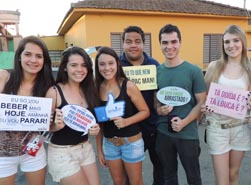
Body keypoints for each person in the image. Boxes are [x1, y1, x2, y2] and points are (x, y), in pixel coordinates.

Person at [203, 25, 251, 185]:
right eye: (227, 42)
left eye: (235, 40)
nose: (231, 45)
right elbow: (206, 97)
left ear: (243, 42)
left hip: (240, 128)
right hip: (217, 127)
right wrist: (205, 106)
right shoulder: (214, 66)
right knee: (222, 179)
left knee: (233, 174)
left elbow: (250, 102)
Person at [154, 24, 206, 185]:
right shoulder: (156, 71)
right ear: (160, 44)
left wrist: (184, 122)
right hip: (163, 133)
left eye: (173, 42)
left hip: (188, 134)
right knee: (169, 178)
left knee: (194, 178)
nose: (169, 47)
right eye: (165, 42)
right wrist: (159, 109)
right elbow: (155, 100)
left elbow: (201, 103)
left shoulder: (194, 71)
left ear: (180, 42)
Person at [0, 36, 55, 185]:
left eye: (39, 56)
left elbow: (50, 127)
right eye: (28, 54)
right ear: (19, 57)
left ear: (44, 60)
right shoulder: (4, 77)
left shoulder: (48, 87)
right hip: (2, 153)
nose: (33, 60)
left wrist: (53, 122)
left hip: (33, 150)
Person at [45, 46, 101, 185]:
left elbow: (93, 121)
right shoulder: (54, 92)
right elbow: (43, 127)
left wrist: (95, 129)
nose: (79, 70)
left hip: (85, 148)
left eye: (83, 65)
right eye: (74, 65)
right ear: (65, 67)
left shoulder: (89, 90)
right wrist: (56, 126)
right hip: (62, 152)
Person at [95, 46, 150, 185]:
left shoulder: (128, 85)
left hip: (131, 143)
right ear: (97, 66)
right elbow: (99, 124)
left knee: (136, 182)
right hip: (110, 144)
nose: (107, 68)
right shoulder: (95, 89)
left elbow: (145, 111)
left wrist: (126, 121)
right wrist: (100, 150)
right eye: (102, 64)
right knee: (118, 181)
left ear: (117, 64)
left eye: (110, 63)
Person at [120, 25, 164, 185]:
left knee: (161, 170)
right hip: (127, 130)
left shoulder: (153, 65)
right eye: (128, 41)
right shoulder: (116, 66)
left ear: (143, 44)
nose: (133, 45)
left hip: (152, 128)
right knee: (127, 176)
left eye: (137, 41)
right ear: (123, 44)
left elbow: (161, 93)